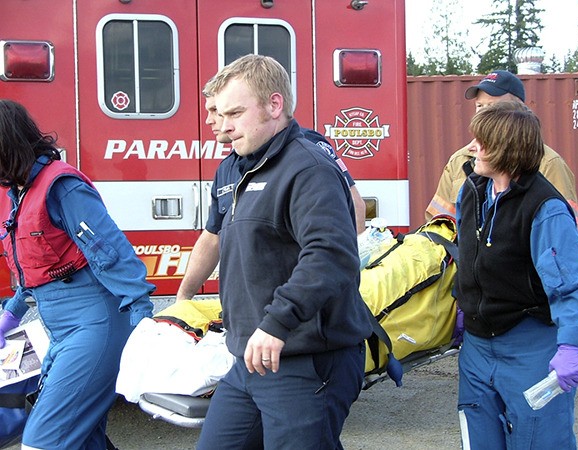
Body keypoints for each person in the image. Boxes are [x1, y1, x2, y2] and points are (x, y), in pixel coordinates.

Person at [194, 54, 372, 450]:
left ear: (275, 106)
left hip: (305, 356)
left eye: (236, 113)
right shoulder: (233, 169)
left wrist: (278, 322)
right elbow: (220, 240)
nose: (224, 126)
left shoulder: (307, 167)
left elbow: (332, 252)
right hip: (249, 360)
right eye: (221, 114)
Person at [0, 100, 155, 449]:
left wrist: (143, 321)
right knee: (84, 440)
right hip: (59, 328)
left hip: (96, 325)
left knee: (43, 441)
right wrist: (11, 315)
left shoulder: (62, 187)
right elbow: (34, 271)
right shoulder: (19, 193)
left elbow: (113, 254)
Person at [455, 101, 578, 449]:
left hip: (531, 349)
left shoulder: (545, 209)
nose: (472, 147)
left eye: (481, 141)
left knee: (541, 441)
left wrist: (570, 345)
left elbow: (572, 284)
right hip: (476, 348)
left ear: (506, 148)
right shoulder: (471, 191)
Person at [176, 84, 366, 301]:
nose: (209, 120)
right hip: (252, 313)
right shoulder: (227, 168)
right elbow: (212, 238)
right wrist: (183, 297)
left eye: (216, 111)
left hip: (300, 311)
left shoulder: (306, 148)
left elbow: (352, 205)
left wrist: (353, 280)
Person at [425, 70, 578, 221]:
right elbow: (437, 224)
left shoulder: (548, 162)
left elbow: (563, 227)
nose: (483, 114)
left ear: (518, 109)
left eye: (492, 107)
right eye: (479, 106)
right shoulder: (459, 161)